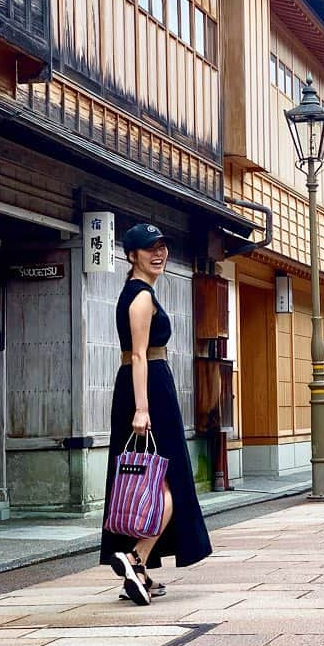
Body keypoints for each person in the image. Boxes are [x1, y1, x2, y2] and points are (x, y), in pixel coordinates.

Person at [100, 223, 212, 606]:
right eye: (150, 249)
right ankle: (135, 557)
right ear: (132, 255)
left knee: (141, 478)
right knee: (167, 482)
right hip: (147, 391)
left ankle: (140, 571)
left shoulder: (136, 292)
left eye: (162, 246)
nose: (159, 254)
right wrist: (143, 408)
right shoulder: (141, 296)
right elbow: (137, 355)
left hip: (143, 386)